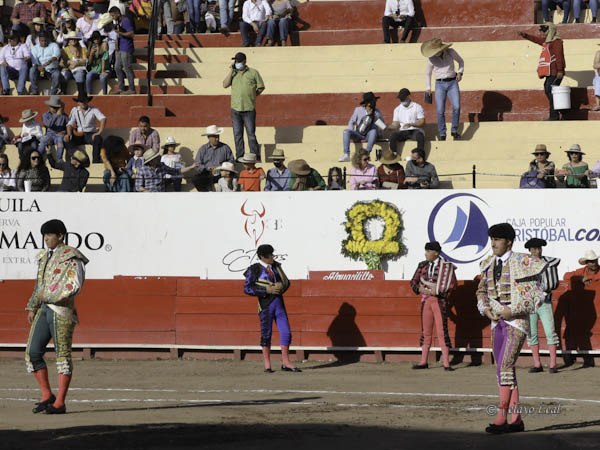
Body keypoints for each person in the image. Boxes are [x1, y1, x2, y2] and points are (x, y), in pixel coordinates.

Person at [477, 223, 547, 434]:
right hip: (496, 322)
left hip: (515, 322)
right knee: (502, 370)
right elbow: (481, 291)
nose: (493, 243)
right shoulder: (488, 263)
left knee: (505, 366)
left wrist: (513, 310)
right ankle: (516, 420)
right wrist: (486, 309)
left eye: (497, 239)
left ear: (508, 241)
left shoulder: (522, 262)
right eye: (491, 239)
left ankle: (501, 418)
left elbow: (536, 296)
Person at [25, 219, 89, 414]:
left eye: (50, 235)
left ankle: (59, 403)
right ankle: (47, 395)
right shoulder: (44, 257)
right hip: (44, 309)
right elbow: (40, 284)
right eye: (44, 235)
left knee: (62, 356)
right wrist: (32, 305)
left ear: (60, 236)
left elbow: (76, 285)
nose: (46, 239)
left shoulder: (72, 256)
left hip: (62, 311)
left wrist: (49, 297)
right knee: (32, 352)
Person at [243, 244, 301, 373]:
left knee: (286, 332)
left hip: (279, 304)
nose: (273, 256)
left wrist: (281, 285)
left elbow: (287, 282)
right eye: (270, 255)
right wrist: (266, 289)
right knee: (266, 334)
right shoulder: (254, 269)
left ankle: (286, 363)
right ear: (263, 257)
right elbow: (247, 288)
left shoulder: (276, 267)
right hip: (265, 305)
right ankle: (267, 365)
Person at [410, 241, 457, 371]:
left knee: (442, 332)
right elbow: (413, 281)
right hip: (426, 301)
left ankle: (447, 363)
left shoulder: (446, 266)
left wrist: (438, 291)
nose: (426, 254)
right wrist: (420, 290)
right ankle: (423, 361)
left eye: (428, 251)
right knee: (426, 332)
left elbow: (452, 284)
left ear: (435, 253)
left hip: (440, 302)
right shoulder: (422, 265)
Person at [523, 238, 560, 374]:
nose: (537, 251)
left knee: (550, 332)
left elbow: (552, 282)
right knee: (532, 333)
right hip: (531, 303)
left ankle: (552, 364)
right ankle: (537, 364)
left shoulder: (548, 262)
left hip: (545, 302)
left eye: (539, 248)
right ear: (530, 250)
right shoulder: (524, 264)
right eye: (534, 249)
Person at [518, 23, 565, 121]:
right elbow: (537, 40)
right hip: (549, 72)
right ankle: (559, 111)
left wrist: (560, 70)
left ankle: (555, 115)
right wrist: (526, 36)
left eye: (544, 31)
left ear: (550, 30)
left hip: (555, 72)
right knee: (549, 90)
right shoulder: (547, 41)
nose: (542, 33)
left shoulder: (556, 42)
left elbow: (559, 56)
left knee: (550, 91)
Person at [223, 52, 265, 159]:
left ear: (245, 61)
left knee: (251, 134)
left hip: (248, 108)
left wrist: (253, 96)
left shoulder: (253, 73)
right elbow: (225, 84)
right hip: (235, 108)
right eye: (235, 61)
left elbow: (261, 87)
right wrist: (231, 70)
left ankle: (255, 155)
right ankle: (240, 156)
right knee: (238, 135)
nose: (237, 63)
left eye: (239, 61)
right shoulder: (233, 73)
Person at [422, 38, 464, 140]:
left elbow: (461, 61)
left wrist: (460, 72)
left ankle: (454, 130)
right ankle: (442, 133)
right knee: (440, 110)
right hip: (439, 84)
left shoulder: (451, 52)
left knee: (457, 107)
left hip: (452, 82)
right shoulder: (431, 58)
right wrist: (428, 88)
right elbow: (428, 74)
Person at [339, 92, 384, 162]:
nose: (375, 102)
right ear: (368, 103)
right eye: (373, 101)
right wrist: (352, 130)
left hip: (370, 135)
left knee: (373, 131)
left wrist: (380, 134)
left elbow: (382, 126)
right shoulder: (358, 110)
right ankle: (346, 155)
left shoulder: (377, 112)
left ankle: (367, 153)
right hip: (358, 134)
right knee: (346, 131)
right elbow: (351, 121)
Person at [65, 93, 106, 163]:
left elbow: (103, 119)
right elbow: (70, 124)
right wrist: (69, 133)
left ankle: (96, 161)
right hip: (79, 134)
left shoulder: (94, 109)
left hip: (90, 134)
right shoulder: (74, 110)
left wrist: (99, 132)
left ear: (87, 101)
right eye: (81, 101)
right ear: (78, 103)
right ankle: (72, 160)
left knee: (98, 139)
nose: (83, 103)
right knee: (67, 139)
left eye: (84, 101)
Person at [192, 125, 235, 191]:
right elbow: (197, 164)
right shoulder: (203, 149)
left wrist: (223, 167)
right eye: (215, 137)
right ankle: (205, 195)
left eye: (218, 136)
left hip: (221, 172)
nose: (217, 139)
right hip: (207, 172)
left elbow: (231, 161)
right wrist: (207, 167)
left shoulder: (225, 147)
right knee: (195, 179)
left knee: (230, 177)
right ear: (208, 137)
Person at [388, 88, 425, 154]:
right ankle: (394, 154)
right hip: (403, 131)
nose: (402, 100)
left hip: (415, 130)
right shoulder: (397, 109)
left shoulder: (417, 106)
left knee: (420, 136)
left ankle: (420, 155)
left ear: (408, 97)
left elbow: (422, 121)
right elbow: (395, 124)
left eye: (403, 98)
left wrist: (412, 124)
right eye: (401, 99)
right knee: (393, 136)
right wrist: (389, 127)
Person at [110, 6, 135, 95]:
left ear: (118, 13)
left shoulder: (126, 20)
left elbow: (132, 34)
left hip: (127, 48)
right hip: (120, 48)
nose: (112, 17)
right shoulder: (119, 22)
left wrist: (120, 33)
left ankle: (132, 89)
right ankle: (121, 88)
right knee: (117, 67)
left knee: (127, 68)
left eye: (113, 15)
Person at [61, 32, 88, 97]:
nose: (73, 40)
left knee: (79, 75)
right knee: (65, 76)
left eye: (74, 39)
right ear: (68, 40)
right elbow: (61, 63)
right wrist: (69, 62)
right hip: (67, 69)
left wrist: (77, 63)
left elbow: (86, 61)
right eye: (71, 39)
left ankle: (81, 93)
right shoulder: (64, 50)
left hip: (79, 68)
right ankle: (63, 92)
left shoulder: (83, 49)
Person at [86, 31, 110, 96]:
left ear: (100, 38)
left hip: (105, 68)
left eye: (97, 38)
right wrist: (91, 54)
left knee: (102, 77)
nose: (96, 39)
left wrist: (103, 70)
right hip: (95, 69)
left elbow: (104, 58)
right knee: (88, 75)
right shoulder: (91, 47)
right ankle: (89, 94)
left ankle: (105, 94)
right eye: (94, 38)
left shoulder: (104, 44)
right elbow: (89, 63)